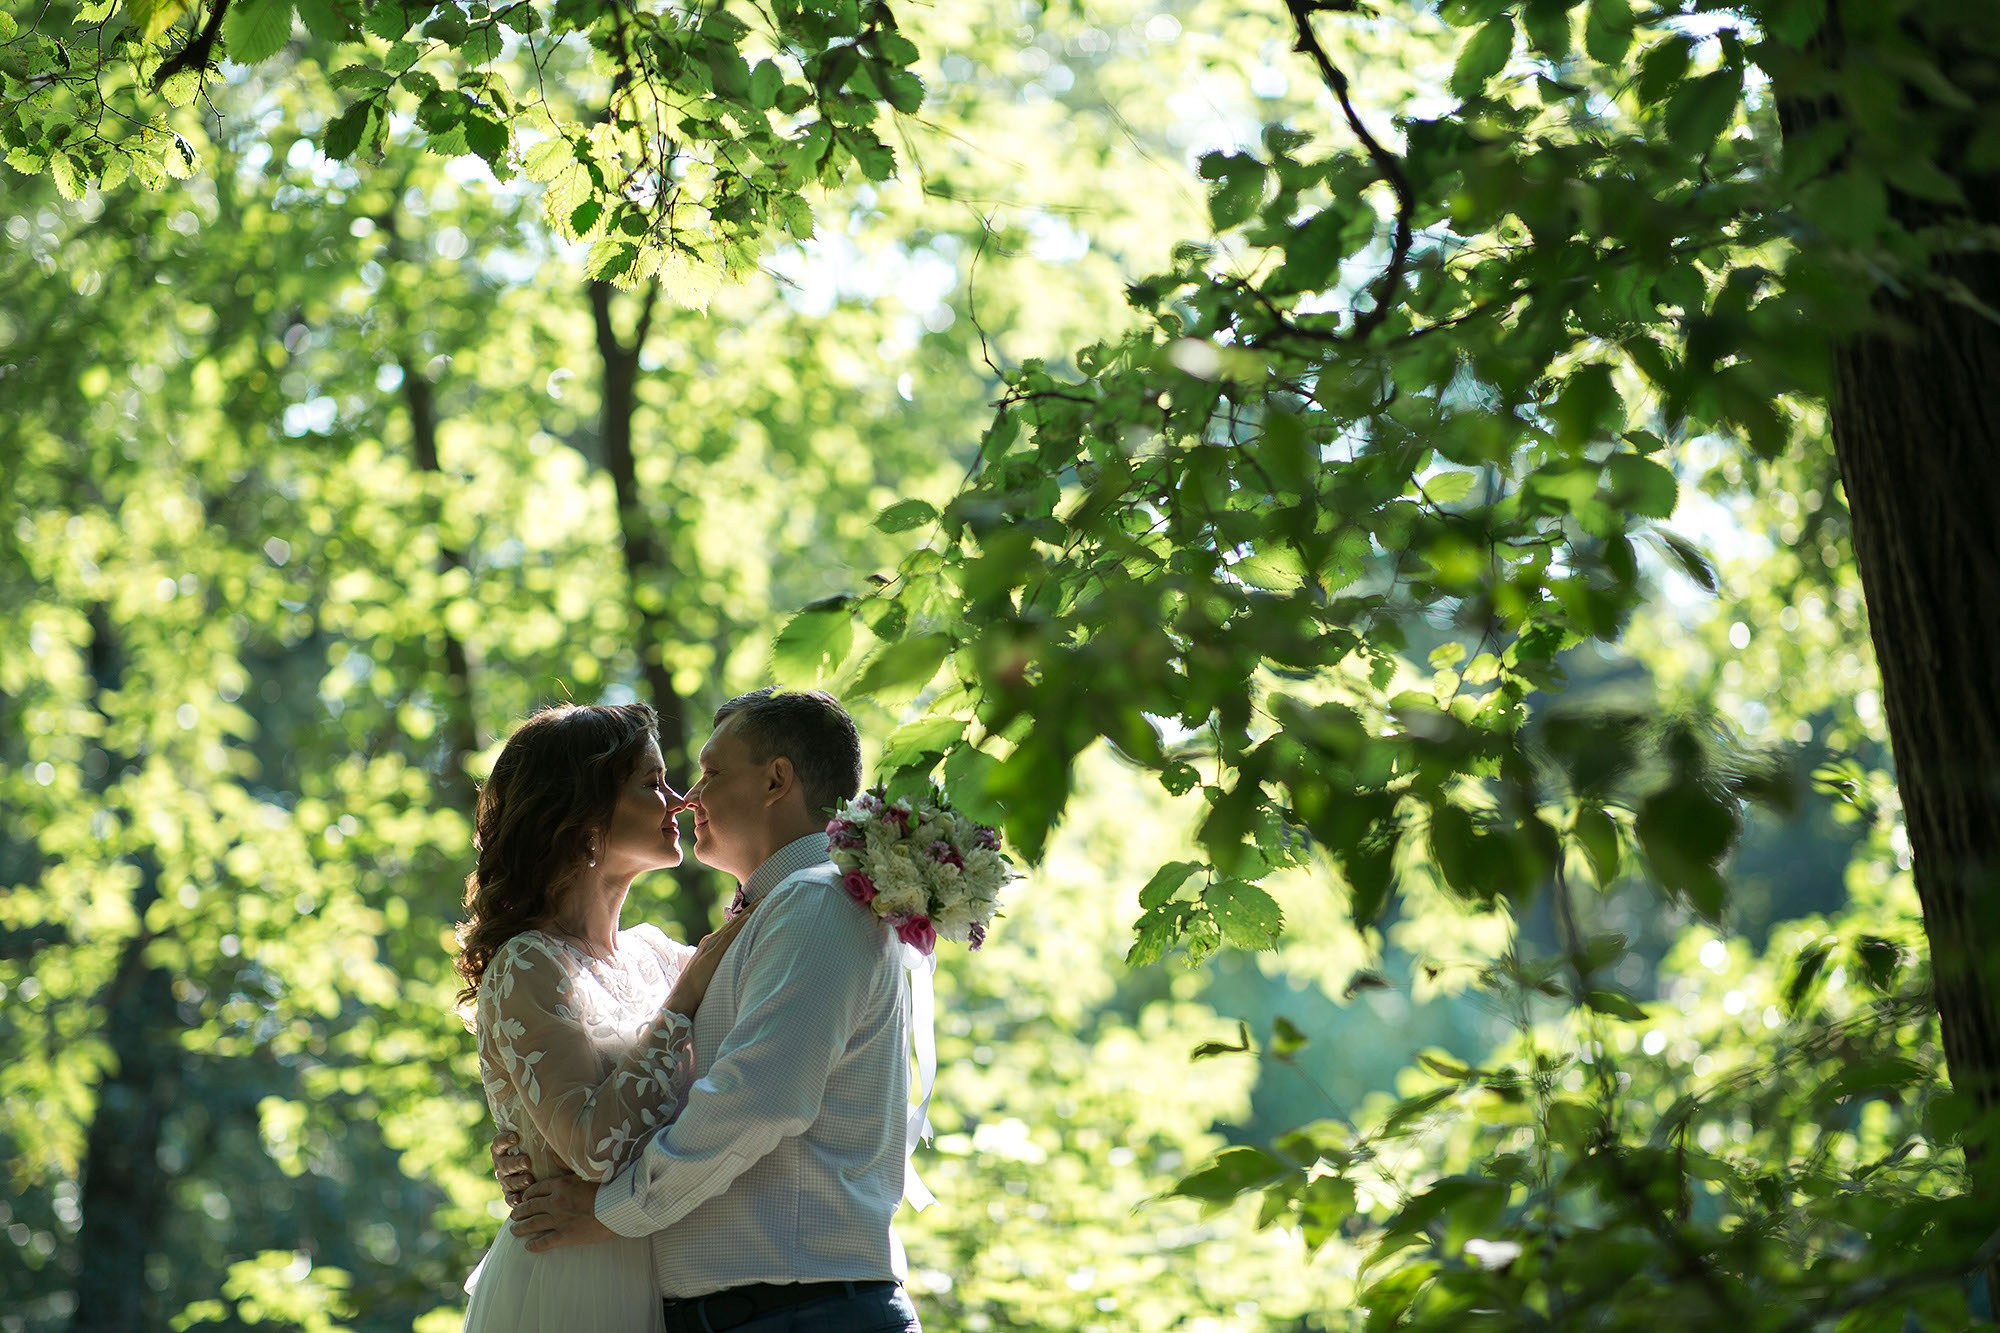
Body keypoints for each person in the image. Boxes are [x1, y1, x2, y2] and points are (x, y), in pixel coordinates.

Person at [496, 687, 924, 1333]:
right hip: (727, 1307)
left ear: (777, 779)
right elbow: (619, 1102)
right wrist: (533, 1148)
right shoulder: (743, 932)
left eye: (710, 773)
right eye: (661, 781)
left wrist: (611, 1208)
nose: (688, 796)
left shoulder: (813, 904)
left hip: (799, 1309)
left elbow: (757, 1100)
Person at [456, 702, 756, 1333]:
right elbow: (595, 1152)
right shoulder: (527, 965)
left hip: (671, 1266)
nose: (677, 801)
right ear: (583, 817)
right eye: (652, 783)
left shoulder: (657, 954)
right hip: (575, 1281)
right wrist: (683, 1001)